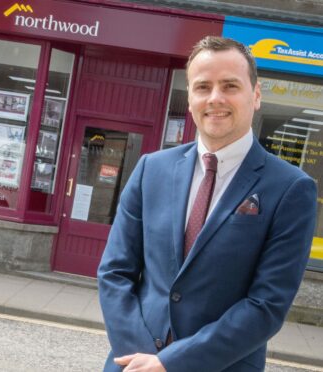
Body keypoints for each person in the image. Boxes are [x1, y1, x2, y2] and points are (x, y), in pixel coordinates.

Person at [97, 36, 317, 372]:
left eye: (230, 85)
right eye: (203, 87)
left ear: (255, 95)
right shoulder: (151, 169)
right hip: (134, 364)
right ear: (190, 99)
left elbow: (266, 305)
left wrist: (171, 364)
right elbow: (115, 273)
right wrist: (145, 360)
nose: (215, 98)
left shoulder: (291, 189)